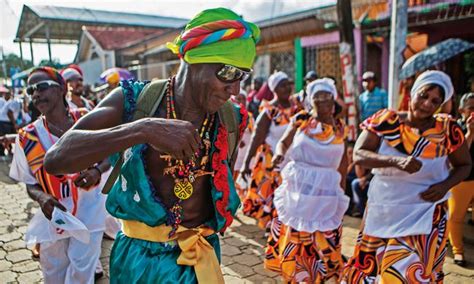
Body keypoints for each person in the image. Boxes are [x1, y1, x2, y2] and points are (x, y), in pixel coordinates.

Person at [44, 8, 259, 283]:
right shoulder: (133, 100)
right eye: (228, 72)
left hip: (200, 256)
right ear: (193, 60)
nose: (236, 89)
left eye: (243, 75)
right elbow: (56, 159)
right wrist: (142, 129)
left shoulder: (232, 118)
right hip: (138, 261)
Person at [342, 70, 472, 283]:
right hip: (385, 208)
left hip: (426, 211)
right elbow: (359, 154)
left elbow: (464, 165)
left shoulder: (447, 130)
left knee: (410, 273)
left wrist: (445, 185)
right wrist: (396, 161)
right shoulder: (386, 120)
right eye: (423, 95)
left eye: (435, 101)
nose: (427, 104)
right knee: (373, 270)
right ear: (412, 93)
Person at [9, 67, 110, 283]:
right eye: (31, 90)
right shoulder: (26, 137)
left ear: (62, 88)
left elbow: (111, 154)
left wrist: (96, 171)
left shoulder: (86, 119)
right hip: (54, 215)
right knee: (53, 270)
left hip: (90, 209)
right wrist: (42, 197)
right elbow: (30, 183)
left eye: (41, 86)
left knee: (82, 271)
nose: (35, 93)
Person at [265, 78, 350, 282]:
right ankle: (298, 277)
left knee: (324, 239)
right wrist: (279, 154)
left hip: (327, 193)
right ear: (311, 101)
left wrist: (342, 192)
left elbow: (344, 163)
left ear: (333, 100)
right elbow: (284, 142)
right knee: (298, 240)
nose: (322, 102)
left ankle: (319, 275)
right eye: (317, 98)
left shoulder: (340, 128)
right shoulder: (302, 119)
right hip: (299, 191)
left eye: (326, 97)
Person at [240, 71, 300, 230]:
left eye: (288, 83)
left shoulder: (297, 108)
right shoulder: (269, 111)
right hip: (272, 161)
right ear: (274, 89)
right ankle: (274, 228)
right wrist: (247, 163)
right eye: (282, 85)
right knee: (273, 196)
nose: (287, 87)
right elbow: (256, 138)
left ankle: (286, 227)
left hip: (293, 160)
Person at [448, 92, 474, 267]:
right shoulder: (455, 128)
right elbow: (457, 153)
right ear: (461, 110)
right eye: (471, 108)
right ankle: (458, 251)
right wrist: (471, 132)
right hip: (463, 179)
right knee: (455, 217)